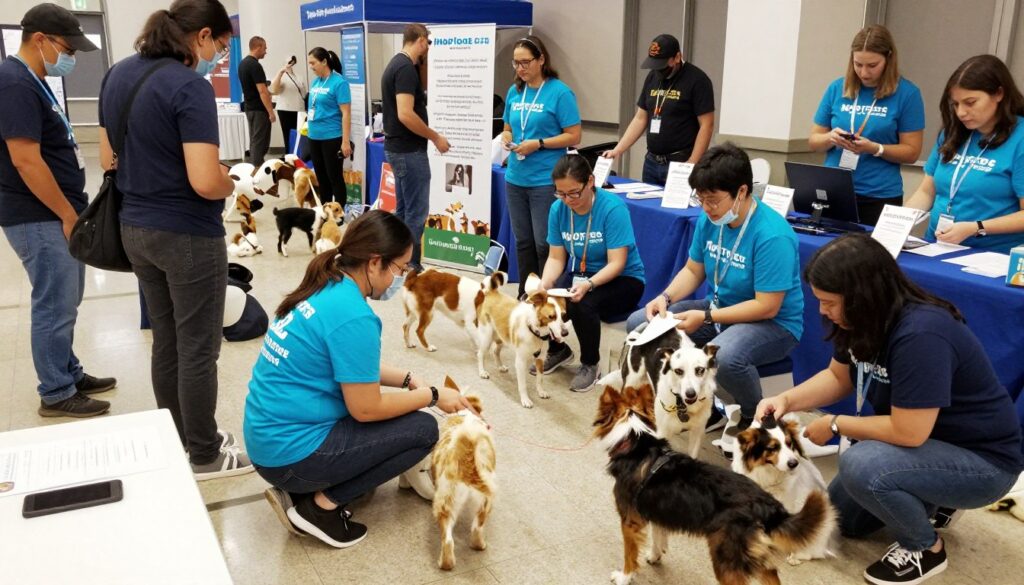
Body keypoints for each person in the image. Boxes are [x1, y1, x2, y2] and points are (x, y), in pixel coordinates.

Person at [756, 234, 1023, 585]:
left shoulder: (921, 334)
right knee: (842, 520)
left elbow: (908, 431)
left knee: (861, 465)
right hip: (927, 445)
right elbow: (838, 377)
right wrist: (787, 400)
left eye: (829, 302)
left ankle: (926, 548)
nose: (823, 310)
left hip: (983, 462)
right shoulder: (860, 321)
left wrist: (836, 424)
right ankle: (932, 495)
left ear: (863, 296)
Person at [244, 210, 477, 548]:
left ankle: (305, 487)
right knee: (423, 429)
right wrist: (432, 395)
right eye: (400, 269)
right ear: (373, 263)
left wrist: (408, 379)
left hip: (268, 440)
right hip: (290, 454)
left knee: (398, 421)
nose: (401, 278)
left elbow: (348, 366)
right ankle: (320, 508)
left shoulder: (327, 283)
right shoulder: (354, 314)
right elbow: (366, 409)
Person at [98, 0, 251, 479]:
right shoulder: (190, 86)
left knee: (167, 340)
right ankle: (205, 454)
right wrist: (234, 181)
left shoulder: (118, 75)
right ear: (201, 36)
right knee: (199, 348)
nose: (220, 56)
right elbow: (206, 181)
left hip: (134, 228)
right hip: (186, 234)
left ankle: (181, 436)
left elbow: (107, 158)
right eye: (221, 46)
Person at [625, 143, 803, 433]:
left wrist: (707, 318)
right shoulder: (712, 221)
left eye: (713, 200)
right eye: (701, 199)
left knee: (729, 357)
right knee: (641, 325)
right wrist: (665, 297)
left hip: (774, 323)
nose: (706, 208)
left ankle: (756, 418)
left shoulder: (772, 235)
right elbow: (694, 269)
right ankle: (702, 410)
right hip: (719, 307)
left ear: (742, 192)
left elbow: (767, 305)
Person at [0, 3, 115, 418]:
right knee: (53, 302)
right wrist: (68, 215)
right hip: (39, 216)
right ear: (41, 40)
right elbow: (26, 160)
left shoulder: (34, 79)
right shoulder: (13, 82)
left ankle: (68, 370)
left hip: (58, 212)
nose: (71, 58)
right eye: (68, 48)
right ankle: (56, 391)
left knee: (67, 299)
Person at [537, 155, 645, 391]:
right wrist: (545, 284)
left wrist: (589, 284)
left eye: (574, 193)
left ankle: (590, 364)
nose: (568, 200)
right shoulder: (558, 210)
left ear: (590, 182)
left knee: (581, 303)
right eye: (561, 193)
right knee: (541, 301)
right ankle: (559, 350)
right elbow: (556, 257)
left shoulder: (612, 208)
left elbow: (617, 263)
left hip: (623, 279)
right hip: (581, 273)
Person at [904, 54, 1024, 254]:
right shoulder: (953, 132)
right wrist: (899, 221)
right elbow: (927, 191)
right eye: (956, 104)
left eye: (970, 102)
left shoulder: (1020, 138)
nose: (961, 113)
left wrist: (976, 227)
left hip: (989, 258)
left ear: (999, 94)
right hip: (935, 247)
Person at [809, 25, 925, 227]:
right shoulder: (837, 88)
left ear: (888, 59)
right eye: (858, 64)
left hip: (878, 195)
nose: (864, 72)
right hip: (834, 190)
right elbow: (813, 141)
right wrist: (830, 138)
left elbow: (912, 152)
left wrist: (876, 149)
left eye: (872, 65)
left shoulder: (907, 94)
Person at [499, 35, 581, 297]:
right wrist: (507, 136)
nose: (520, 69)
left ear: (542, 60)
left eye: (526, 62)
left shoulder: (560, 92)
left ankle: (547, 295)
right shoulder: (515, 91)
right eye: (516, 63)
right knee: (522, 242)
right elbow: (508, 125)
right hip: (515, 177)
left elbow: (574, 136)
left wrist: (540, 143)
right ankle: (526, 293)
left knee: (544, 244)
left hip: (545, 180)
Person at [603, 34, 714, 186]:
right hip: (651, 161)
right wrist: (618, 150)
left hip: (680, 162)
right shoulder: (652, 77)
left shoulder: (697, 80)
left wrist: (692, 162)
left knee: (675, 209)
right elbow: (640, 118)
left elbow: (706, 125)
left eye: (661, 65)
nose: (658, 70)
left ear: (677, 57)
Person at [381, 23, 450, 270]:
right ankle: (410, 263)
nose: (428, 48)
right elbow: (406, 114)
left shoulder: (398, 65)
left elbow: (421, 89)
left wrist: (424, 61)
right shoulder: (404, 68)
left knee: (404, 210)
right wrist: (435, 137)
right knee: (416, 212)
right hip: (409, 150)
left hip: (398, 148)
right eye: (428, 43)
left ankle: (396, 258)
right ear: (421, 40)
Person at [306, 47, 351, 205]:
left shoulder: (339, 82)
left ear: (324, 61)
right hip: (314, 135)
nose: (311, 66)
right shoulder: (315, 82)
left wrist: (345, 141)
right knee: (321, 177)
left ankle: (339, 213)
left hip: (332, 136)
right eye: (309, 63)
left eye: (313, 63)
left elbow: (346, 113)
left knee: (334, 177)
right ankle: (325, 210)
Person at [238, 36, 275, 166]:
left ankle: (254, 166)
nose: (266, 51)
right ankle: (257, 170)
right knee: (260, 141)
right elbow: (262, 91)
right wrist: (271, 112)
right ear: (258, 47)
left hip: (249, 108)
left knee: (254, 140)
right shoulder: (255, 65)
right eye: (265, 48)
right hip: (259, 110)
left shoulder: (242, 64)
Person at [269, 55, 306, 152]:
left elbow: (303, 93)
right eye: (290, 60)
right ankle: (289, 157)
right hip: (285, 110)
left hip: (299, 110)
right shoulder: (281, 76)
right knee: (288, 136)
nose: (291, 62)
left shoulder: (299, 76)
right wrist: (281, 72)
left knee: (300, 135)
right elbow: (274, 90)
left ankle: (299, 157)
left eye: (293, 60)